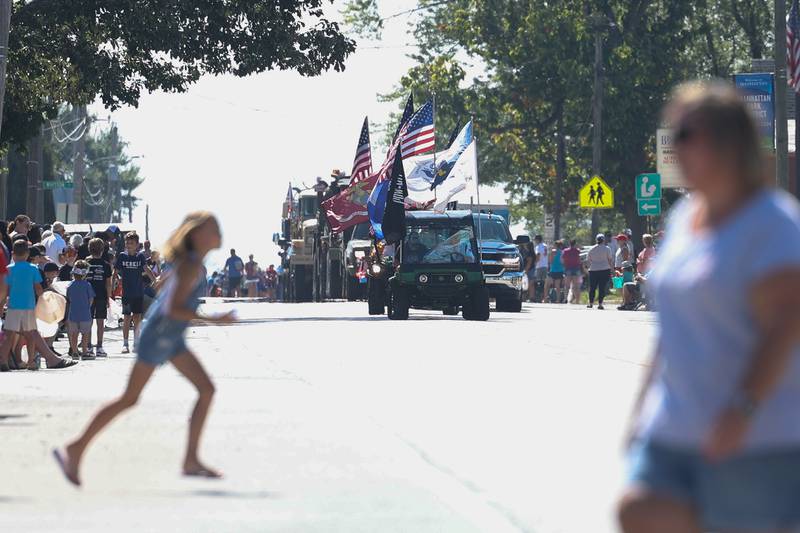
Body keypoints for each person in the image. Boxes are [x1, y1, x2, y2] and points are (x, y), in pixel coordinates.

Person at [618, 81, 800, 533]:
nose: (672, 147)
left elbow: (785, 326)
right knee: (637, 510)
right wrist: (639, 412)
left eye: (683, 136)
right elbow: (670, 329)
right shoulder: (684, 218)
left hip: (751, 440)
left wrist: (742, 411)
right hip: (673, 428)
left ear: (727, 143)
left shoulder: (770, 223)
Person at [55, 211, 235, 486]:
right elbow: (174, 307)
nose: (219, 233)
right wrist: (213, 320)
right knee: (130, 398)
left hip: (170, 336)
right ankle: (75, 448)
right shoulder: (190, 265)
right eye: (214, 228)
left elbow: (166, 289)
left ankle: (191, 460)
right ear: (197, 234)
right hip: (161, 334)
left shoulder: (190, 263)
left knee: (206, 390)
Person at [114, 232, 155, 354]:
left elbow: (146, 270)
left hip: (138, 292)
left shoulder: (140, 257)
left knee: (137, 317)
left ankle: (136, 343)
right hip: (126, 293)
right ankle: (125, 344)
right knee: (126, 317)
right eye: (127, 243)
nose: (128, 245)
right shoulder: (122, 256)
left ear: (137, 245)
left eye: (131, 243)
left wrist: (155, 281)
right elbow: (115, 272)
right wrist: (113, 283)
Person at [86, 237, 112, 358]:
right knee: (100, 321)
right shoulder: (106, 265)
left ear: (89, 249)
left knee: (88, 321)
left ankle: (89, 346)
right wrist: (109, 297)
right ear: (102, 250)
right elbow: (108, 282)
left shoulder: (84, 263)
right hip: (101, 295)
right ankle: (99, 347)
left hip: (87, 296)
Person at [66, 261, 95, 360]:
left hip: (73, 313)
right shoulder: (87, 285)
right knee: (85, 333)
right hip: (85, 313)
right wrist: (87, 306)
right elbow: (91, 299)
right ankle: (85, 352)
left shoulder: (70, 285)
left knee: (74, 334)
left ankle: (74, 352)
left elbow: (69, 298)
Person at [586, 233, 613, 309]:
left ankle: (591, 303)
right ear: (603, 240)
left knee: (592, 287)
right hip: (604, 269)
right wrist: (611, 269)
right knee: (602, 287)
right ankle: (600, 304)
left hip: (593, 270)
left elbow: (589, 260)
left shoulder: (591, 249)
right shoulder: (607, 249)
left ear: (596, 240)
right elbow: (610, 259)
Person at [562, 239, 583, 304]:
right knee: (576, 286)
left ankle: (565, 298)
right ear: (575, 243)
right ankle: (577, 300)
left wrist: (565, 265)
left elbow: (562, 260)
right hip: (576, 269)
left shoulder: (565, 251)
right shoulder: (578, 251)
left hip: (568, 268)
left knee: (567, 286)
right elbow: (579, 260)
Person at [532, 235, 548, 302]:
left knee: (538, 282)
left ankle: (539, 297)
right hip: (545, 265)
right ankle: (544, 297)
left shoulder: (538, 247)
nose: (535, 241)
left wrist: (534, 263)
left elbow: (538, 256)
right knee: (544, 282)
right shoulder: (545, 245)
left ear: (538, 240)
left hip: (539, 266)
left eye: (535, 240)